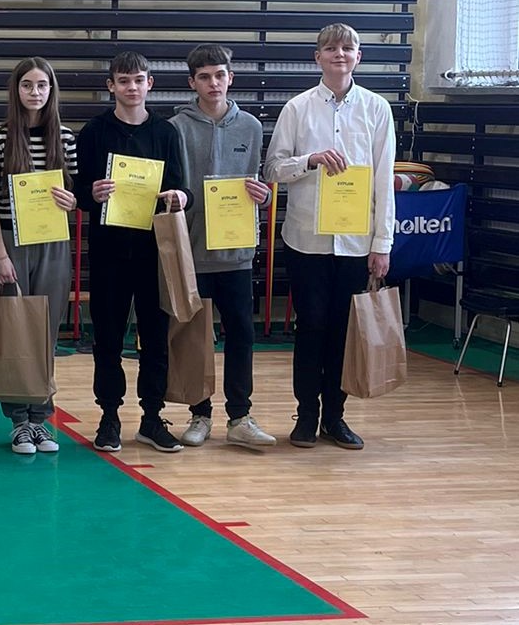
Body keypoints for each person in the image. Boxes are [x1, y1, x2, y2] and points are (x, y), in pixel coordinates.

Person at [263, 23, 395, 451]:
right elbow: (272, 169)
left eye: (348, 48)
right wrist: (311, 159)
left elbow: (383, 181)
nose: (340, 54)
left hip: (355, 243)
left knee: (342, 331)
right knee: (311, 327)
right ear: (317, 56)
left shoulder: (377, 109)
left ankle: (335, 417)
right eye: (331, 48)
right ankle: (306, 415)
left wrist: (382, 244)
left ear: (359, 56)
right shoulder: (297, 108)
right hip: (306, 240)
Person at [74, 50, 190, 454]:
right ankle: (109, 416)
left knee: (155, 338)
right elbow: (78, 192)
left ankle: (152, 418)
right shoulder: (93, 132)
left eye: (139, 80)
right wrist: (91, 192)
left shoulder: (166, 132)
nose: (132, 87)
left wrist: (180, 196)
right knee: (107, 338)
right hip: (108, 252)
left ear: (149, 84)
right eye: (123, 81)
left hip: (154, 251)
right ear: (111, 86)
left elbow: (182, 188)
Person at [169, 43, 277, 449]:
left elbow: (259, 183)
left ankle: (240, 416)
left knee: (242, 335)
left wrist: (264, 195)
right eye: (204, 77)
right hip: (191, 251)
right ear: (192, 82)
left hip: (236, 253)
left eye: (220, 75)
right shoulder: (175, 128)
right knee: (195, 338)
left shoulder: (250, 126)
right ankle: (199, 414)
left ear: (231, 78)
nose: (213, 83)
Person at [0, 57, 78, 456]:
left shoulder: (66, 138)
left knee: (45, 330)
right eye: (27, 85)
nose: (35, 92)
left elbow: (75, 194)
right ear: (16, 90)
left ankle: (41, 418)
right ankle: (18, 420)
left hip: (53, 240)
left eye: (42, 85)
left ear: (51, 90)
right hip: (10, 240)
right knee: (14, 329)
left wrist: (72, 201)